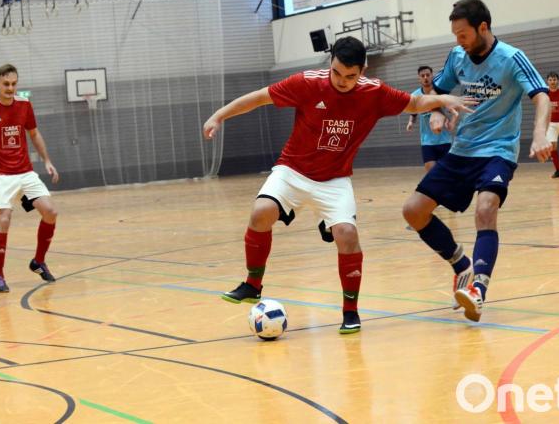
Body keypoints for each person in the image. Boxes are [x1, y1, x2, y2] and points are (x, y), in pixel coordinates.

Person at [202, 36, 475, 333]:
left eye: (350, 76)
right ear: (330, 62)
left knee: (347, 235)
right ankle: (252, 284)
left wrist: (443, 99)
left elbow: (414, 102)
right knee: (260, 213)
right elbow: (260, 97)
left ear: (363, 70)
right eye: (336, 73)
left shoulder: (374, 93)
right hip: (293, 170)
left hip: (334, 179)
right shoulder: (307, 83)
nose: (342, 81)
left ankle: (350, 311)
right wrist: (219, 115)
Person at [401, 0, 554, 322]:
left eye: (463, 34)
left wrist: (541, 134)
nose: (458, 41)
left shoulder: (512, 58)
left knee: (486, 209)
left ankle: (477, 292)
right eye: (455, 35)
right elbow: (436, 92)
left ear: (482, 27)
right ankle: (461, 265)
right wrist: (438, 111)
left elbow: (542, 96)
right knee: (413, 211)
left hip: (497, 150)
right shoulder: (458, 55)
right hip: (461, 151)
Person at [0, 64, 61, 293]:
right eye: (6, 84)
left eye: (13, 84)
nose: (10, 88)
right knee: (4, 219)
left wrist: (47, 160)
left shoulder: (24, 105)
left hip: (25, 171)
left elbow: (34, 133)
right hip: (0, 174)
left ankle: (38, 261)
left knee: (50, 211)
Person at [406, 66, 453, 171]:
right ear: (419, 78)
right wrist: (410, 122)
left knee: (447, 172)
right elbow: (413, 112)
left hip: (444, 139)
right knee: (431, 171)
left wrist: (449, 120)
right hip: (427, 141)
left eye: (428, 75)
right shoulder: (415, 95)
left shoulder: (440, 92)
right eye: (422, 76)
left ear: (432, 76)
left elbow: (450, 109)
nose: (425, 77)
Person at [546, 72, 559, 178]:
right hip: (551, 124)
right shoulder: (544, 92)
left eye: (554, 79)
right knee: (553, 147)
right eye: (550, 80)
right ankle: (558, 170)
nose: (552, 82)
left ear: (558, 80)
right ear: (547, 81)